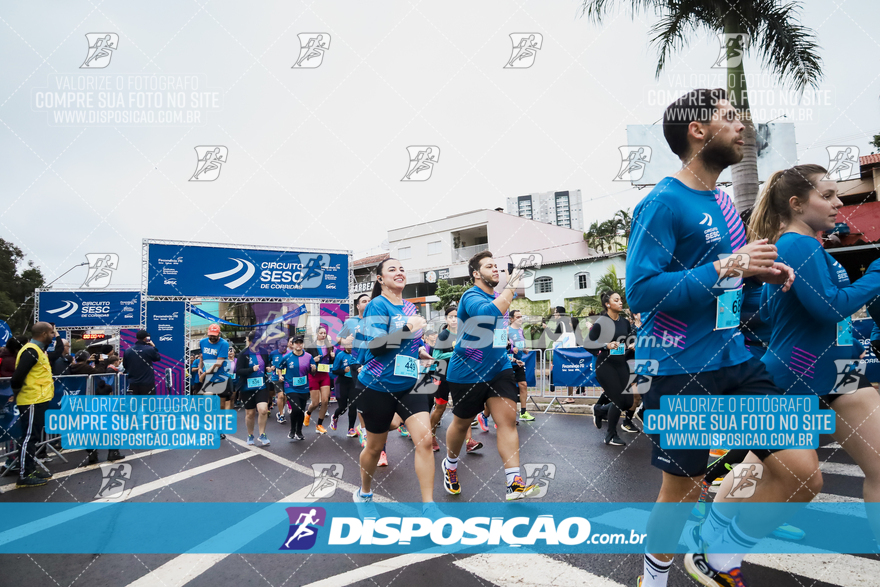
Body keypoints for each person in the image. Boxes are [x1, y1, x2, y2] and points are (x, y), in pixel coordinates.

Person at [627, 89, 821, 587]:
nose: (742, 128)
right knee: (682, 489)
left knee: (803, 473)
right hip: (681, 368)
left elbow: (731, 284)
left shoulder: (722, 203)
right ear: (697, 130)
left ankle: (717, 546)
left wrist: (761, 274)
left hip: (737, 361)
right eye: (730, 118)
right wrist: (727, 264)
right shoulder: (662, 203)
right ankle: (654, 579)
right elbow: (641, 292)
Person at [747, 163, 880, 543]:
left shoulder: (809, 246)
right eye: (828, 195)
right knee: (760, 471)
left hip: (839, 373)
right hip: (795, 377)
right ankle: (716, 539)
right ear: (796, 203)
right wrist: (876, 274)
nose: (838, 203)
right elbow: (830, 307)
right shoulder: (795, 243)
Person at [442, 251, 540, 501]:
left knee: (507, 421)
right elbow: (489, 314)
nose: (496, 269)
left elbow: (498, 329)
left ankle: (514, 483)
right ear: (476, 273)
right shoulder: (471, 296)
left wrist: (507, 352)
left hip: (499, 369)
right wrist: (512, 284)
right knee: (462, 423)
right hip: (467, 371)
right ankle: (450, 465)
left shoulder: (500, 297)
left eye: (497, 266)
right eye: (489, 266)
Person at [353, 257, 438, 515]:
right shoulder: (377, 305)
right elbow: (377, 347)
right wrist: (408, 328)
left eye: (402, 268)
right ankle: (364, 494)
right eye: (392, 269)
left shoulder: (410, 306)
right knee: (375, 447)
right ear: (380, 279)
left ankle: (429, 507)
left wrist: (420, 350)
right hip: (378, 385)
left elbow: (408, 343)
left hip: (410, 383)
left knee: (424, 440)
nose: (399, 272)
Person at [9, 322, 57, 488]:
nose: (53, 335)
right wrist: (17, 394)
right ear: (43, 334)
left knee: (33, 437)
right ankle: (24, 474)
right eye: (52, 333)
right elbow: (17, 377)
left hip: (38, 399)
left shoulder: (37, 350)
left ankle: (30, 468)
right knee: (29, 437)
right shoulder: (31, 351)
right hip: (32, 400)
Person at [429, 304, 481, 453]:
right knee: (440, 407)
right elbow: (437, 357)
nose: (454, 320)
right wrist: (456, 354)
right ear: (446, 319)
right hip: (442, 373)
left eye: (457, 317)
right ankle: (431, 435)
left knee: (464, 407)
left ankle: (469, 441)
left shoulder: (464, 334)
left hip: (459, 375)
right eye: (451, 317)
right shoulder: (443, 335)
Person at [589, 291, 636, 446]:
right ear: (608, 304)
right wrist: (605, 345)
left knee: (628, 401)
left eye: (621, 300)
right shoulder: (602, 322)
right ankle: (610, 435)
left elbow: (629, 338)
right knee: (617, 399)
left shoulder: (624, 322)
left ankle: (600, 410)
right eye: (616, 300)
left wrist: (632, 344)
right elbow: (587, 344)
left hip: (621, 363)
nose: (620, 302)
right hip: (605, 365)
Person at [236, 330, 271, 446]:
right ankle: (250, 435)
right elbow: (239, 371)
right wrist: (251, 369)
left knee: (263, 410)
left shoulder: (264, 352)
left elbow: (267, 364)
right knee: (250, 414)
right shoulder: (243, 354)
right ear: (249, 341)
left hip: (261, 386)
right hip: (247, 388)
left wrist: (269, 368)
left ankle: (262, 434)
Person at [281, 336, 315, 441]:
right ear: (293, 345)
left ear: (303, 344)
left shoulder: (309, 356)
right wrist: (280, 375)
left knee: (301, 410)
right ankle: (292, 429)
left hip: (304, 387)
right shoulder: (287, 357)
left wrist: (313, 369)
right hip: (290, 387)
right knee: (295, 408)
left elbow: (312, 372)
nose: (298, 345)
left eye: (300, 343)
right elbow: (279, 367)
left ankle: (299, 431)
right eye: (296, 343)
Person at [304, 325, 335, 434]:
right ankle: (308, 413)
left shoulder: (329, 346)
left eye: (324, 333)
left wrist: (332, 357)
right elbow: (305, 362)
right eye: (321, 333)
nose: (323, 335)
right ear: (316, 334)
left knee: (325, 401)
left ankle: (319, 425)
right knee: (315, 403)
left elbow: (331, 363)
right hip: (314, 375)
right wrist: (313, 360)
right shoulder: (311, 347)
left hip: (324, 374)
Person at [509, 309, 535, 421]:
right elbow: (501, 347)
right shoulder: (506, 330)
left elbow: (520, 347)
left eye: (521, 317)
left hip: (518, 362)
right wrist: (511, 349)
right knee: (509, 389)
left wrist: (524, 349)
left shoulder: (520, 331)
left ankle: (523, 412)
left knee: (523, 385)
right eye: (517, 317)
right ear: (511, 319)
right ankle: (487, 415)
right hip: (507, 362)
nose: (520, 319)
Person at [330, 339, 359, 436]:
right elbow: (334, 370)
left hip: (353, 383)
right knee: (343, 408)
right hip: (342, 383)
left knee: (353, 406)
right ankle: (335, 417)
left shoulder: (357, 355)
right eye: (348, 344)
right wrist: (343, 371)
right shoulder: (340, 355)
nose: (350, 346)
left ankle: (350, 429)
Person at [122, 330, 161, 395]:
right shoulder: (149, 349)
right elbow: (157, 358)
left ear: (137, 338)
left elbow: (125, 365)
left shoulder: (128, 351)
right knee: (149, 404)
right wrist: (154, 347)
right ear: (146, 338)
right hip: (147, 383)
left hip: (133, 382)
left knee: (134, 404)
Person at [198, 324, 230, 396]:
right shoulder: (202, 342)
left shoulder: (224, 344)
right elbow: (201, 357)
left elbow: (218, 364)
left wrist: (204, 374)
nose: (212, 337)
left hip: (220, 376)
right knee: (208, 399)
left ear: (219, 333)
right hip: (208, 377)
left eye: (214, 335)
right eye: (210, 335)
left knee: (221, 405)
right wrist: (200, 368)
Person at [269, 339, 286, 424]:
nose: (284, 347)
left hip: (287, 377)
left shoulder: (288, 353)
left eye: (285, 346)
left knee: (285, 397)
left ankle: (280, 411)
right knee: (281, 396)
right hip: (276, 377)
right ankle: (281, 414)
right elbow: (268, 363)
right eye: (282, 346)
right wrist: (271, 366)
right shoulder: (273, 353)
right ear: (278, 345)